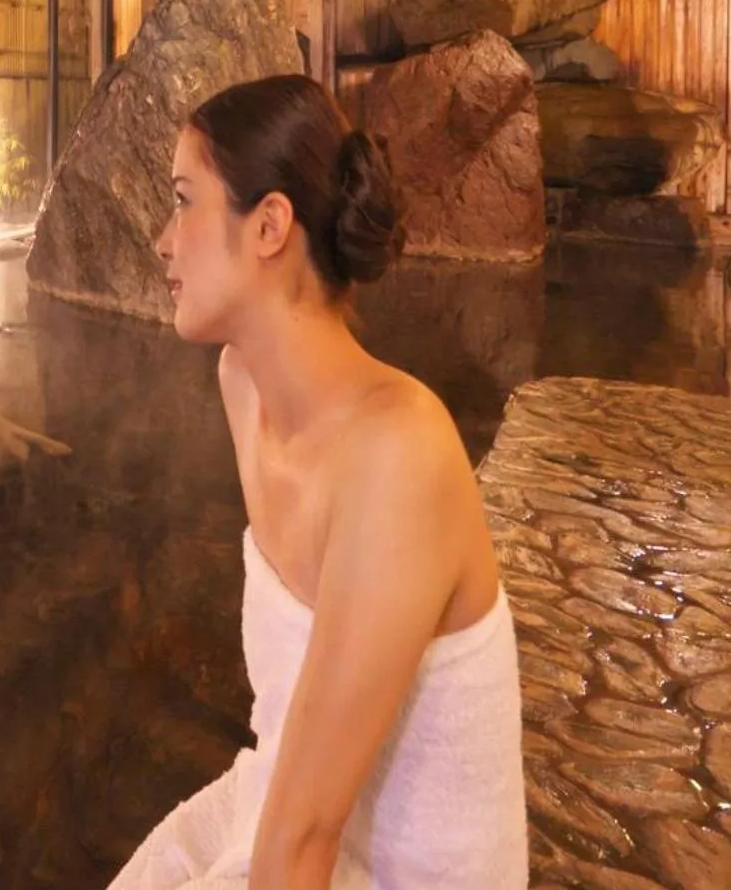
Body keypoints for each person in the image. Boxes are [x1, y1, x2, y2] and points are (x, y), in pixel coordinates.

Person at [110, 74, 525, 890]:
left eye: (184, 202)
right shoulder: (242, 386)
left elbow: (305, 840)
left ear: (269, 225)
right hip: (282, 804)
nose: (162, 240)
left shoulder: (399, 454)